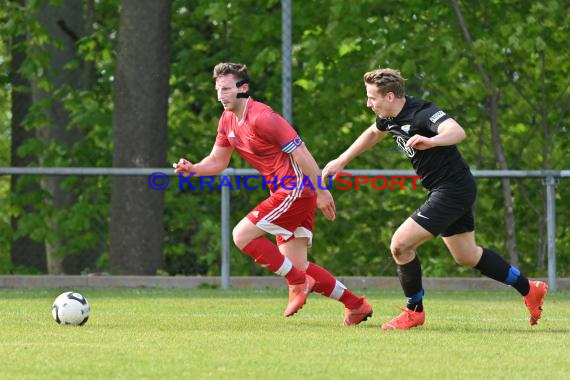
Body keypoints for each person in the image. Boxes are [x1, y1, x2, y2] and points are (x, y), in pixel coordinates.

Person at [323, 68, 548, 330]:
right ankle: (529, 288)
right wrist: (341, 161)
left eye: (372, 98)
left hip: (452, 189)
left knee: (400, 245)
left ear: (391, 96)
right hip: (449, 188)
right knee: (466, 255)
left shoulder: (423, 114)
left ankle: (414, 311)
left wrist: (433, 141)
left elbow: (457, 131)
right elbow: (373, 133)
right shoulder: (388, 116)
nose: (368, 103)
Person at [174, 62, 372, 325]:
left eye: (227, 89)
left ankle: (298, 283)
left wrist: (321, 191)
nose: (221, 95)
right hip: (288, 192)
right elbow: (218, 161)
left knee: (241, 235)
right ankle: (356, 305)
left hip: (296, 190)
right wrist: (194, 169)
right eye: (218, 89)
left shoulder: (263, 117)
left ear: (243, 88)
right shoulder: (228, 120)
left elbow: (302, 153)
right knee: (298, 265)